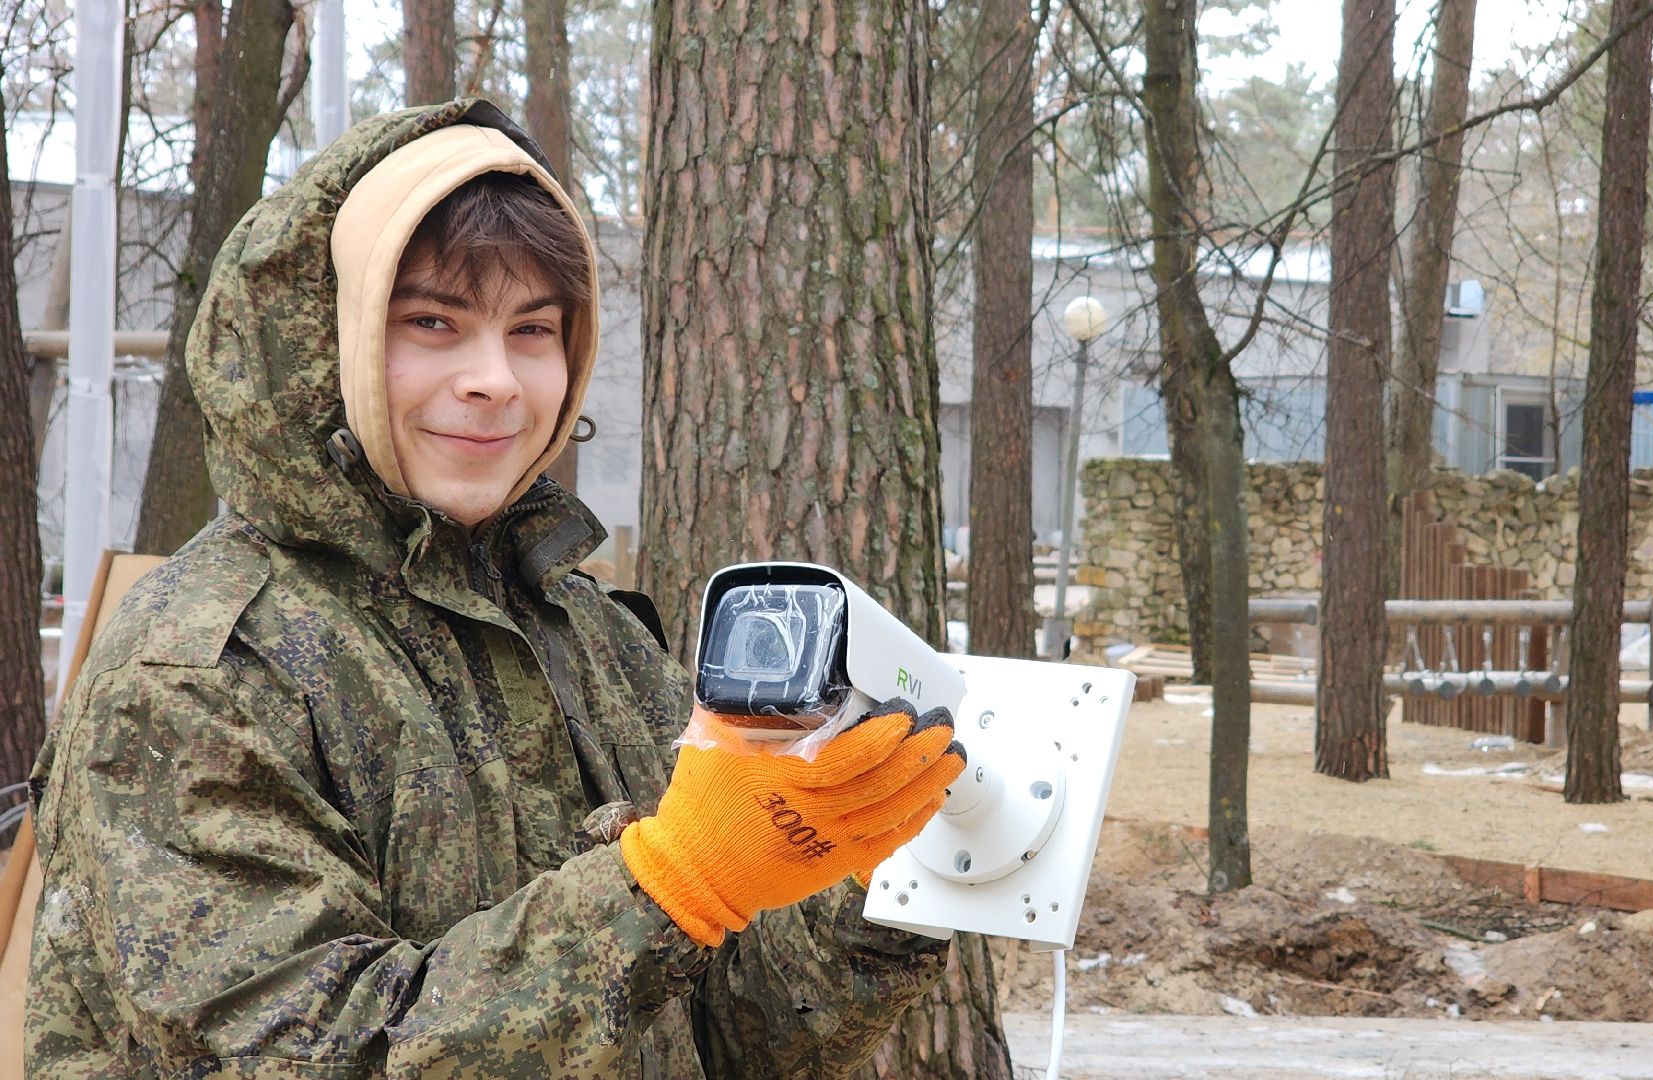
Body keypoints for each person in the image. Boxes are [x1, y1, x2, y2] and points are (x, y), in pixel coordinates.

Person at [26, 99, 966, 1078]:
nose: (495, 380)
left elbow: (717, 1042)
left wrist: (880, 884)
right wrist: (671, 884)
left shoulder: (586, 631)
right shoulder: (201, 664)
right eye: (432, 322)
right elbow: (324, 1059)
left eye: (532, 330)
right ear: (331, 339)